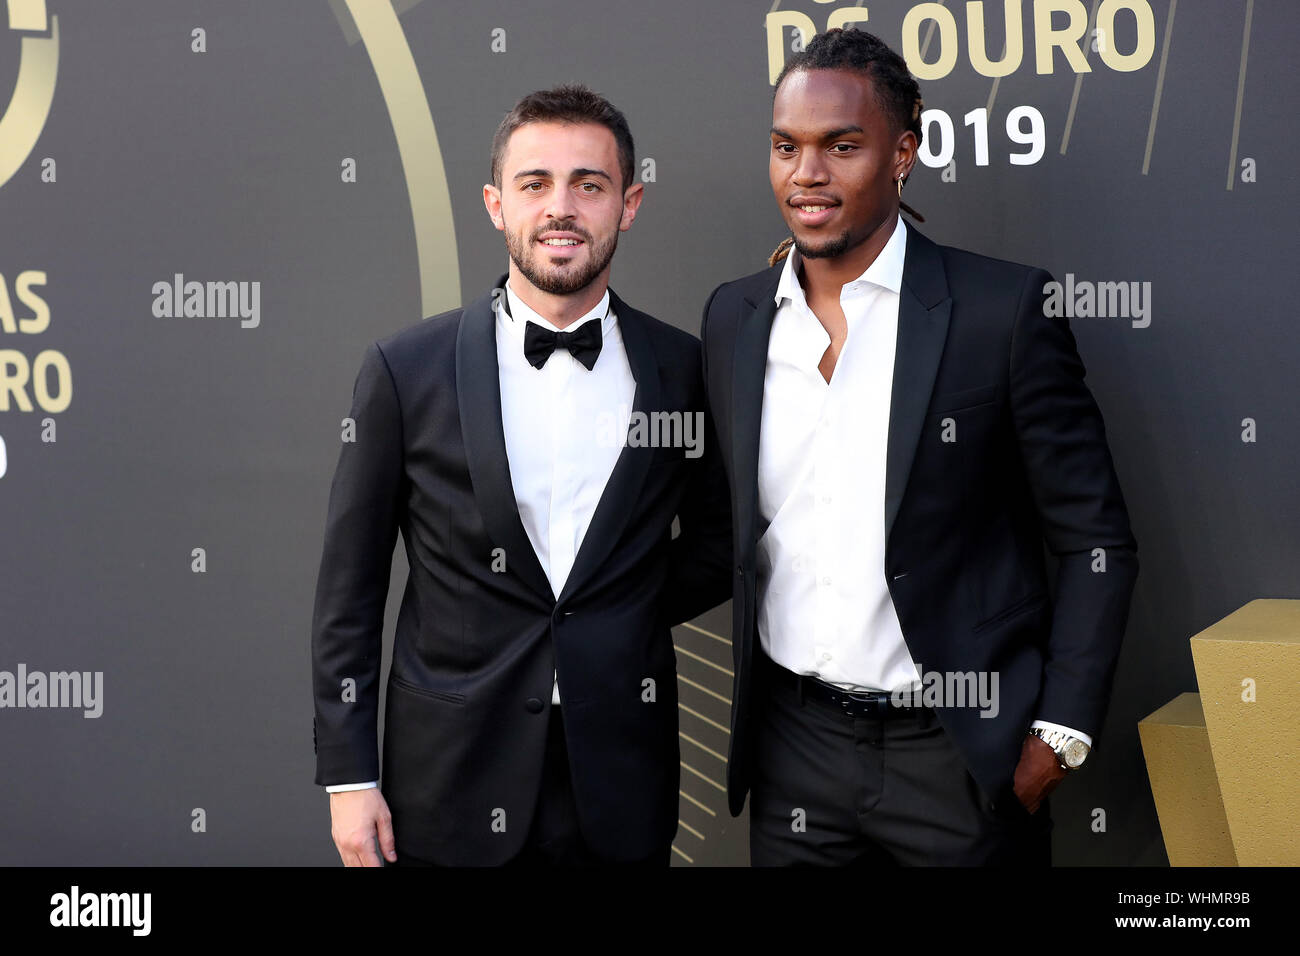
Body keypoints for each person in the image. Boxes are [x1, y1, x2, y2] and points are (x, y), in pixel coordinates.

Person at [699, 28, 1138, 865]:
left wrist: (1061, 731)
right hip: (794, 751)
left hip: (959, 756)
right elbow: (731, 531)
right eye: (786, 147)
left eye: (843, 146)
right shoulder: (734, 317)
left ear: (904, 152)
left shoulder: (1001, 311)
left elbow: (1095, 540)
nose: (807, 175)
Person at [311, 84, 730, 867]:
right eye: (535, 184)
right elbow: (350, 588)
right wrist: (347, 776)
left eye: (589, 184)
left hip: (621, 781)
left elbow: (719, 541)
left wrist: (617, 614)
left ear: (629, 204)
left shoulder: (682, 369)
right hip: (447, 782)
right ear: (496, 204)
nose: (561, 207)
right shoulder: (405, 371)